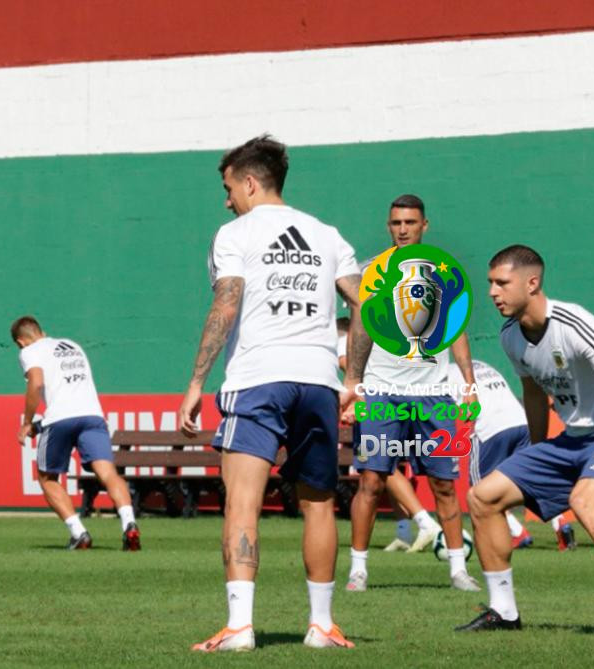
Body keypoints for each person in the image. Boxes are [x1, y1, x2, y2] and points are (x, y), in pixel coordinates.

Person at [180, 135, 370, 652]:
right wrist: (351, 379)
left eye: (228, 188)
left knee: (242, 502)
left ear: (248, 182)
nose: (226, 200)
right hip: (317, 382)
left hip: (258, 378)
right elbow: (368, 309)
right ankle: (323, 626)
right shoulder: (328, 235)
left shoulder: (235, 232)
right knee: (319, 503)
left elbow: (227, 302)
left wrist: (197, 382)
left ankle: (240, 627)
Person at [458, 245, 594, 634]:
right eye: (491, 284)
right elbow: (532, 393)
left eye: (501, 283)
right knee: (483, 497)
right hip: (569, 441)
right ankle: (504, 612)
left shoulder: (573, 323)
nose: (493, 292)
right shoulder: (511, 335)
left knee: (585, 502)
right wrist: (535, 449)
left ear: (532, 283)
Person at [346, 194, 480, 594]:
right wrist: (354, 385)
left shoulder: (444, 272)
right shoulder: (369, 272)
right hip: (381, 394)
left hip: (434, 395)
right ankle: (358, 571)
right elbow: (359, 327)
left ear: (425, 225)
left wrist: (468, 383)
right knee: (371, 480)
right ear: (389, 226)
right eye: (395, 223)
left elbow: (456, 330)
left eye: (409, 222)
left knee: (443, 483)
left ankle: (458, 570)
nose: (402, 229)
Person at [10, 316, 141, 550]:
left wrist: (27, 422)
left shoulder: (29, 351)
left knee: (47, 478)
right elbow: (71, 394)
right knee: (108, 473)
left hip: (60, 420)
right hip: (92, 416)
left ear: (21, 342)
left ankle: (78, 532)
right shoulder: (72, 346)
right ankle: (129, 524)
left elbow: (37, 384)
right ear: (43, 331)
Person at [337, 317, 441, 553]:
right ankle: (404, 531)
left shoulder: (347, 336)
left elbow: (348, 367)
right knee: (384, 469)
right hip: (398, 394)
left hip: (376, 399)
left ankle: (426, 523)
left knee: (381, 469)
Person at [449, 359, 541, 549]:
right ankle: (560, 523)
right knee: (529, 482)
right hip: (522, 422)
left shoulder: (444, 375)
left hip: (490, 429)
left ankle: (503, 537)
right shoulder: (482, 364)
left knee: (479, 491)